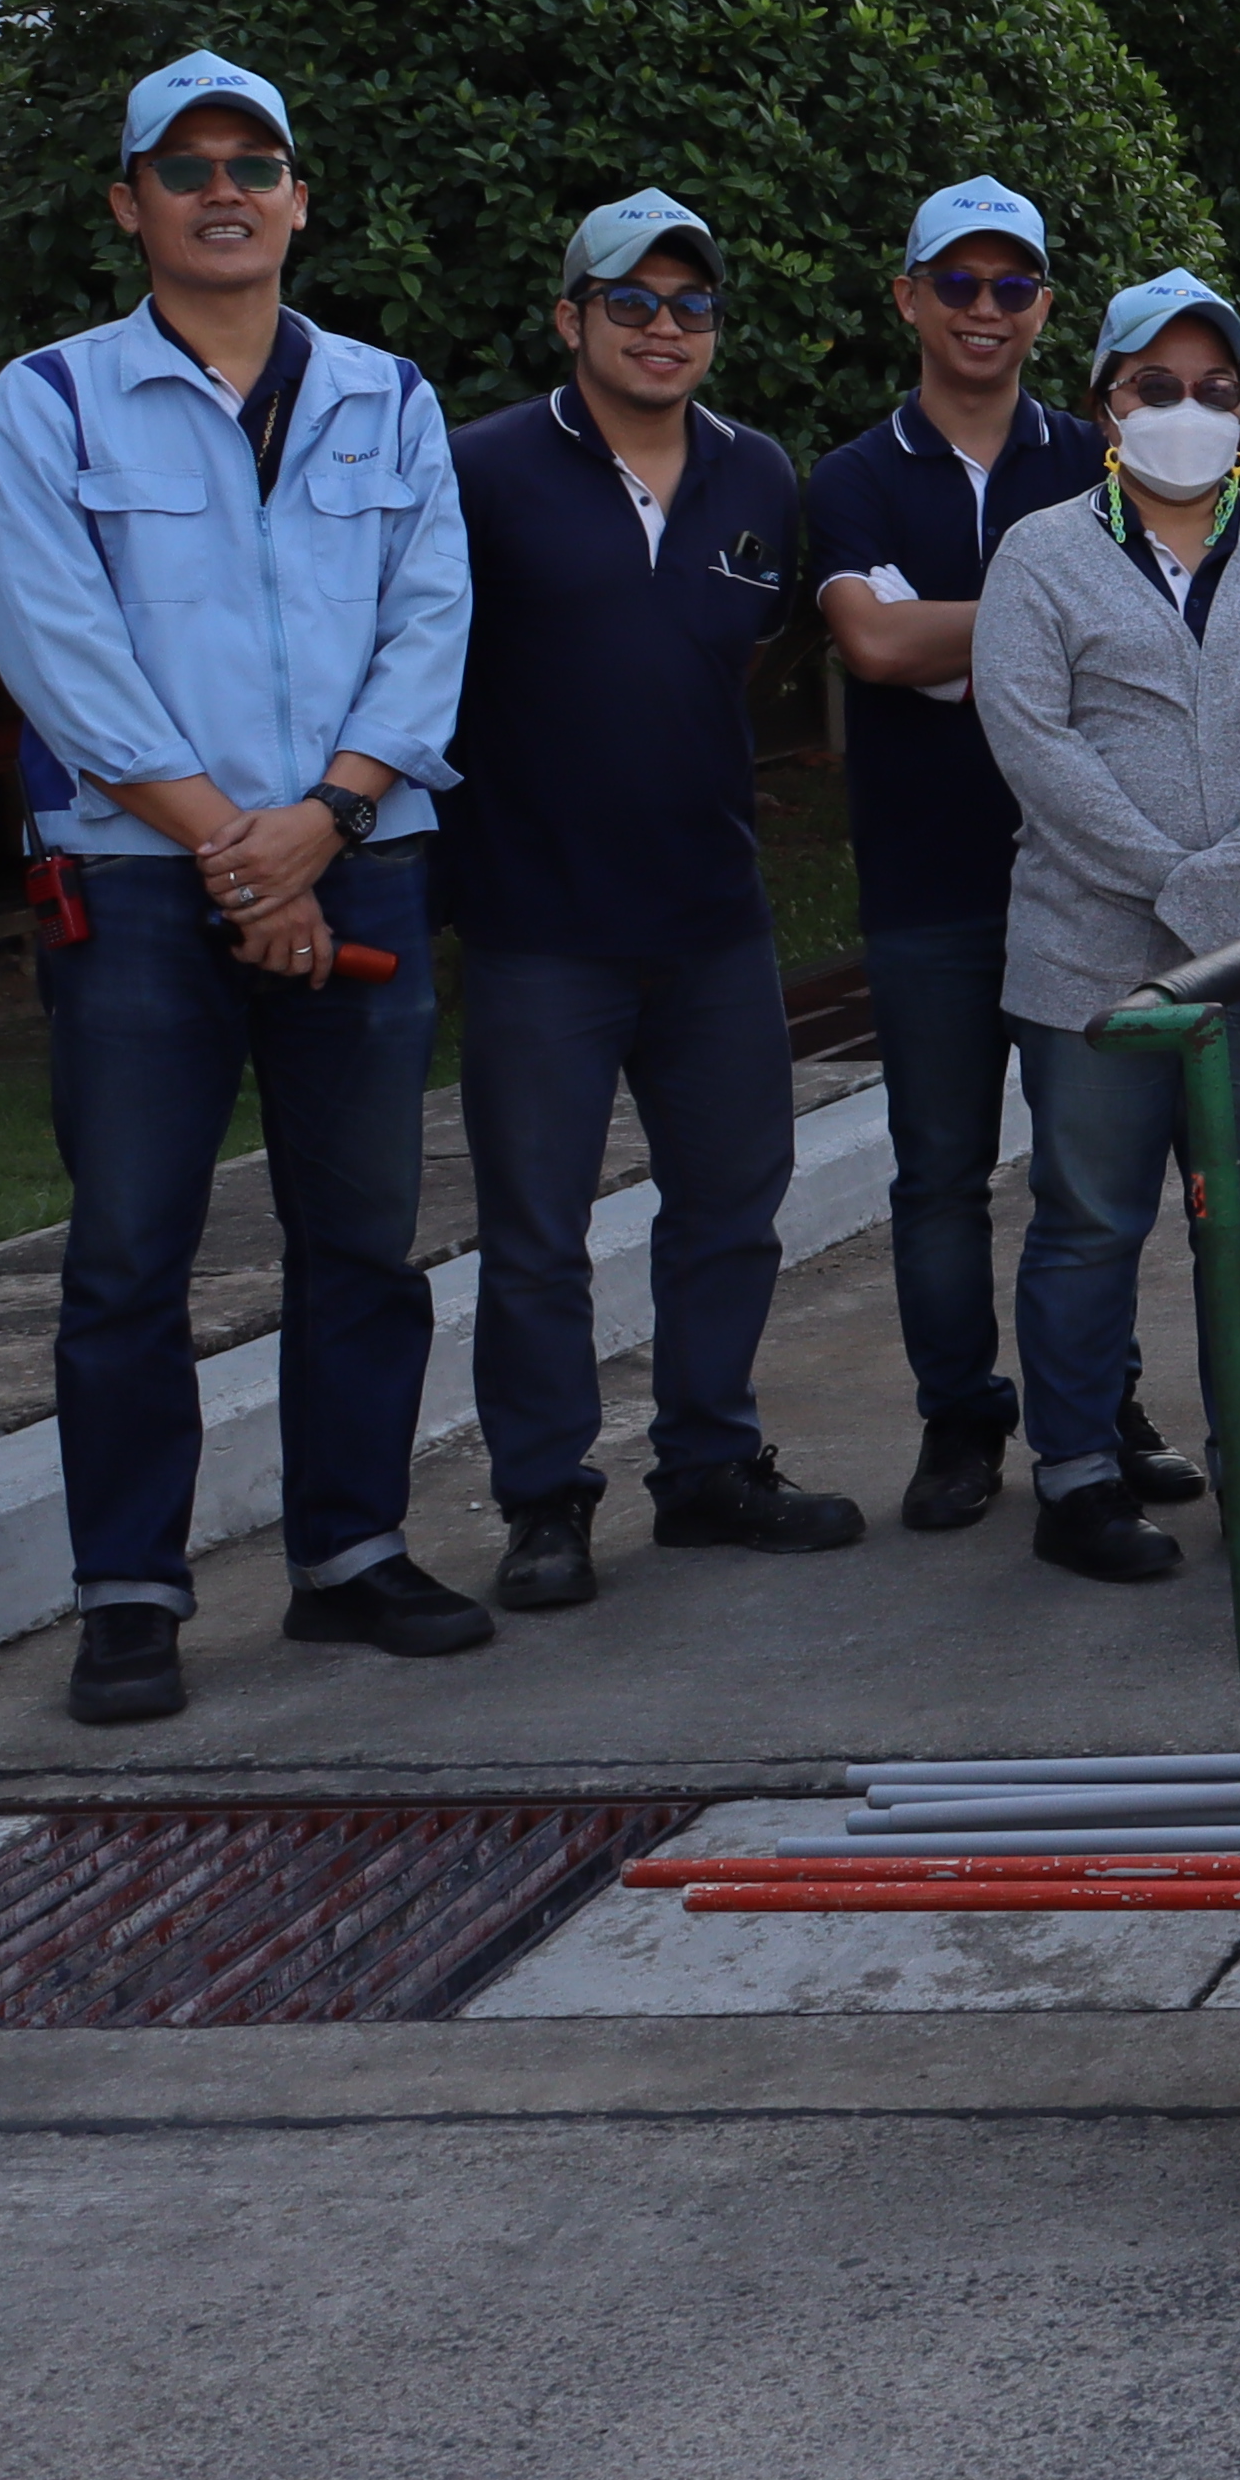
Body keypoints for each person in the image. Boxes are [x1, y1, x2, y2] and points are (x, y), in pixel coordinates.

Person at [0, 52, 483, 1724]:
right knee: (130, 1253)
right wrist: (235, 845)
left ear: (296, 198)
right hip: (136, 892)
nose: (222, 189)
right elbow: (62, 653)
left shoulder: (389, 397)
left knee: (364, 1238)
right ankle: (130, 1594)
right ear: (129, 202)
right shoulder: (51, 402)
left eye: (252, 162)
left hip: (360, 863)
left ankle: (350, 1559)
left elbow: (430, 624)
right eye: (183, 164)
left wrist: (325, 822)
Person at [443, 191, 861, 1615]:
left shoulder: (759, 477)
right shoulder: (483, 470)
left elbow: (725, 665)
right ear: (571, 320)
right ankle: (545, 1499)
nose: (664, 328)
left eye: (692, 305)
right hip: (538, 925)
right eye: (631, 302)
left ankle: (708, 1468)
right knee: (539, 1235)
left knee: (733, 1210)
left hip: (712, 915)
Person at [975, 272, 1240, 1584]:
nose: (1184, 413)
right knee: (1088, 1218)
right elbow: (1032, 738)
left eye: (1213, 390)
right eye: (1156, 388)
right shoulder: (1038, 552)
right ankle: (1080, 1476)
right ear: (1103, 404)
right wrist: (1172, 876)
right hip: (1091, 956)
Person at [812, 174, 1135, 1537]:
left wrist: (964, 633)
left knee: (1091, 1175)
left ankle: (1101, 1408)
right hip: (930, 881)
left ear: (1045, 308)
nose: (984, 310)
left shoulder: (1094, 462)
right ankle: (962, 1420)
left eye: (1012, 287)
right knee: (939, 1173)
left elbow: (1132, 646)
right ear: (910, 298)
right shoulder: (851, 477)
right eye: (957, 283)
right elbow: (872, 648)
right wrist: (1043, 617)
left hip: (1082, 878)